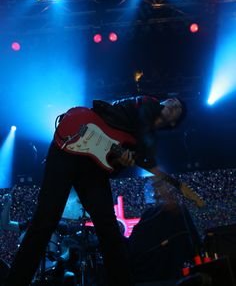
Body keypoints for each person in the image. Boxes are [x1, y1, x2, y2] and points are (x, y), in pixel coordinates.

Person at [4, 95, 185, 286]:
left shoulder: (140, 144)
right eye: (173, 101)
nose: (175, 103)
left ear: (173, 123)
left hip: (92, 168)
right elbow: (144, 116)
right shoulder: (147, 103)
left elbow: (112, 169)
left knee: (109, 230)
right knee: (44, 222)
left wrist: (120, 160)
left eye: (178, 108)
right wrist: (152, 164)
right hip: (68, 148)